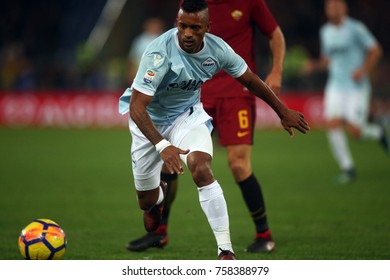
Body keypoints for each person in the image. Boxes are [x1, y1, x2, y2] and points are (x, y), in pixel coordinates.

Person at [119, 0, 309, 259]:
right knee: (146, 202)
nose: (187, 33)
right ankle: (157, 200)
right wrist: (163, 146)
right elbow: (137, 109)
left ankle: (225, 250)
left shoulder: (219, 50)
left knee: (201, 167)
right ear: (177, 23)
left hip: (187, 116)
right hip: (148, 122)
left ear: (208, 27)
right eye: (183, 26)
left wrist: (282, 111)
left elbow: (251, 81)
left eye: (195, 28)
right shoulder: (158, 53)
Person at [304, 0, 388, 184]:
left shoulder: (356, 28)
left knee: (355, 132)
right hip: (335, 86)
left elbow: (375, 50)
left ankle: (378, 132)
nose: (332, 9)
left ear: (344, 8)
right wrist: (315, 65)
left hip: (356, 87)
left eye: (336, 5)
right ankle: (347, 168)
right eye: (329, 6)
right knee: (333, 123)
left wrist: (363, 70)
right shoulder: (325, 31)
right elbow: (327, 60)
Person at [128, 17, 166, 81]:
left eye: (156, 25)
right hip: (142, 72)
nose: (154, 27)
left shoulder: (165, 38)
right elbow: (133, 57)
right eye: (152, 25)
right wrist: (130, 73)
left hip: (160, 73)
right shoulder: (140, 40)